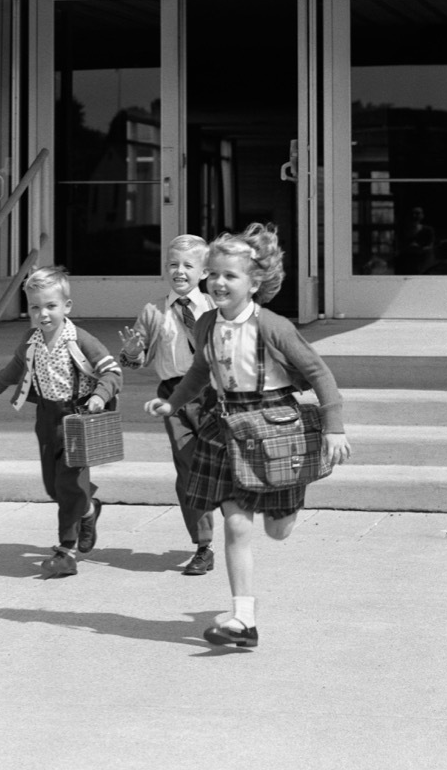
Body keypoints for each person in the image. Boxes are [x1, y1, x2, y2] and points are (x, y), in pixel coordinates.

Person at [145, 224, 351, 648]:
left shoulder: (274, 326)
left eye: (230, 276)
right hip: (227, 428)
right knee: (236, 525)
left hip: (275, 427)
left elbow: (318, 373)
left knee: (278, 530)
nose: (219, 282)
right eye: (214, 274)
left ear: (254, 282)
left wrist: (334, 428)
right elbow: (201, 370)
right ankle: (243, 618)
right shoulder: (205, 324)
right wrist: (174, 402)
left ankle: (288, 503)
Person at [0, 266, 121, 578]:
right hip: (47, 417)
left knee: (68, 483)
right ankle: (88, 509)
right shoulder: (31, 339)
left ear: (67, 306)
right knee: (54, 486)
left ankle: (66, 551)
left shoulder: (80, 340)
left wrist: (100, 396)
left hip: (77, 418)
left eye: (50, 306)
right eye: (35, 307)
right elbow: (15, 367)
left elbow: (112, 371)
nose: (43, 314)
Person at [118, 234, 218, 575]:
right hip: (173, 396)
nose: (180, 271)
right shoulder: (153, 312)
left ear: (204, 272)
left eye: (189, 265)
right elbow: (137, 357)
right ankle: (203, 545)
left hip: (213, 393)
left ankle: (226, 496)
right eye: (174, 264)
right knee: (189, 468)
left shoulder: (214, 307)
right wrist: (132, 351)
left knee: (216, 461)